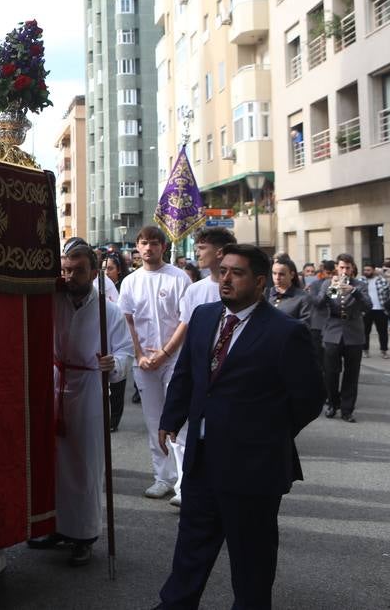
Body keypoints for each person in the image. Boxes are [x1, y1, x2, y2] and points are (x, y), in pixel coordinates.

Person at [151, 244, 324, 610]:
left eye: (237, 272)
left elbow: (309, 398)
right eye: (223, 270)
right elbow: (188, 374)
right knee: (191, 548)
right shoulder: (202, 316)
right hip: (202, 461)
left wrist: (266, 434)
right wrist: (171, 419)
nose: (225, 278)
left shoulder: (285, 332)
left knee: (252, 559)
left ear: (260, 282)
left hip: (253, 468)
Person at [26, 238, 132, 566]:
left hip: (88, 389)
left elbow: (126, 351)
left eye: (79, 270)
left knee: (85, 464)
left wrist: (113, 363)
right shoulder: (53, 301)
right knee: (54, 462)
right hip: (56, 384)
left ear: (94, 272)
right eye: (66, 270)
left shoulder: (108, 310)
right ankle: (56, 526)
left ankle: (84, 534)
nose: (70, 276)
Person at [118, 226, 193, 501]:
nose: (148, 248)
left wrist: (164, 352)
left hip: (174, 360)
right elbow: (128, 321)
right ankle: (162, 477)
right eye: (143, 243)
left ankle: (184, 484)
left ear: (163, 247)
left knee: (177, 422)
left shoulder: (178, 278)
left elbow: (186, 320)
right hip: (144, 363)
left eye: (153, 243)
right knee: (153, 422)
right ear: (137, 247)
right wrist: (139, 355)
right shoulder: (130, 282)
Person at [167, 227, 235, 508]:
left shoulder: (238, 289)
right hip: (198, 372)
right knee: (185, 434)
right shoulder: (195, 290)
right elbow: (187, 330)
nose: (197, 254)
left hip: (229, 374)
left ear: (219, 252)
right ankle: (185, 485)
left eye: (202, 248)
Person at [318, 254, 370, 422]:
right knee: (331, 373)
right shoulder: (329, 283)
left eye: (348, 268)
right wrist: (332, 289)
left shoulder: (359, 286)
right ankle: (333, 404)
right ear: (337, 268)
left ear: (352, 268)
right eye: (341, 267)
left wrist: (354, 292)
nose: (345, 271)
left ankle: (347, 410)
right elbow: (319, 304)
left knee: (351, 374)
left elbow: (368, 306)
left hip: (354, 334)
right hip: (333, 333)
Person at [102, 252, 128, 430]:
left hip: (116, 334)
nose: (106, 272)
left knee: (117, 382)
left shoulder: (116, 285)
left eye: (110, 268)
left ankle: (114, 419)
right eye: (104, 268)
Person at [361, 263, 390, 359]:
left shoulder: (382, 281)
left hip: (380, 309)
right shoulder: (361, 281)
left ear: (374, 270)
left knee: (382, 332)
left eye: (368, 270)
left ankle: (384, 350)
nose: (366, 272)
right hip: (366, 310)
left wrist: (388, 307)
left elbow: (389, 294)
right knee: (365, 331)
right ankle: (365, 350)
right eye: (365, 270)